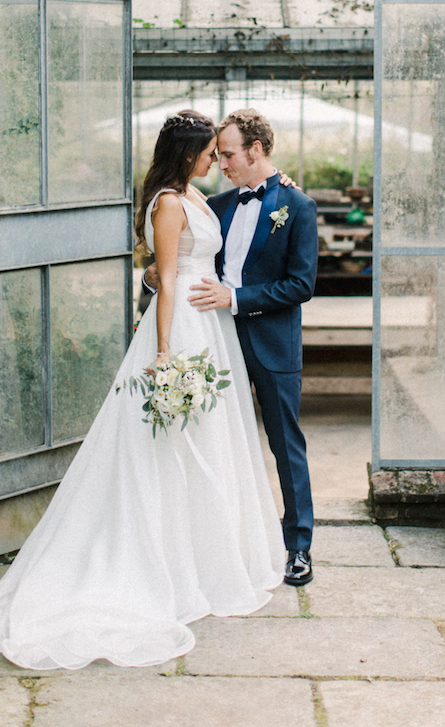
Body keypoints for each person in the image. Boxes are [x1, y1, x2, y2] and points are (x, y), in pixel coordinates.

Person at [0, 111, 285, 670]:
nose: (217, 158)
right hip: (180, 327)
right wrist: (163, 354)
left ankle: (203, 557)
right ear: (188, 153)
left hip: (208, 327)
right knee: (168, 446)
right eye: (211, 150)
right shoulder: (166, 202)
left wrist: (282, 186)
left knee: (208, 442)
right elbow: (162, 280)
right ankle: (157, 565)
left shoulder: (196, 196)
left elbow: (216, 233)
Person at [147, 109, 318, 586]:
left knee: (286, 444)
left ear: (256, 151)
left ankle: (297, 546)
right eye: (216, 154)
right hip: (210, 336)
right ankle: (215, 543)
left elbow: (301, 285)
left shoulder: (297, 206)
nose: (220, 162)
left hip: (271, 341)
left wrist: (238, 299)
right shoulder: (210, 204)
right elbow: (176, 259)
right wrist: (153, 277)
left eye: (227, 154)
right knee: (213, 439)